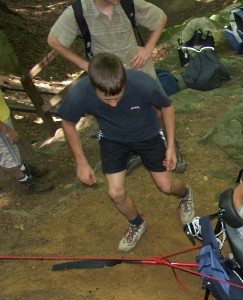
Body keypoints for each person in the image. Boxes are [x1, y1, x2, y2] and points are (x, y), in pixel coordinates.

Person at [56, 53, 195, 252]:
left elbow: (167, 106)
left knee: (166, 186)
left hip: (148, 135)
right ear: (94, 86)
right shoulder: (81, 92)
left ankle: (185, 194)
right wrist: (81, 162)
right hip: (113, 139)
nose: (113, 104)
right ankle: (137, 223)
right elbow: (68, 122)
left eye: (118, 97)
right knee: (115, 192)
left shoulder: (142, 83)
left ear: (124, 81)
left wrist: (171, 146)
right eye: (106, 99)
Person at [48, 0, 186, 173]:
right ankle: (133, 151)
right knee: (117, 113)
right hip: (106, 77)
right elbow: (54, 40)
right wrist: (86, 65)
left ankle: (171, 146)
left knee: (158, 110)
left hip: (138, 68)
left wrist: (147, 49)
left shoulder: (128, 3)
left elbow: (160, 18)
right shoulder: (79, 11)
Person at [1, 76, 53, 193]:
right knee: (7, 156)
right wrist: (5, 129)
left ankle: (24, 170)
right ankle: (25, 181)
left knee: (11, 150)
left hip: (2, 115)